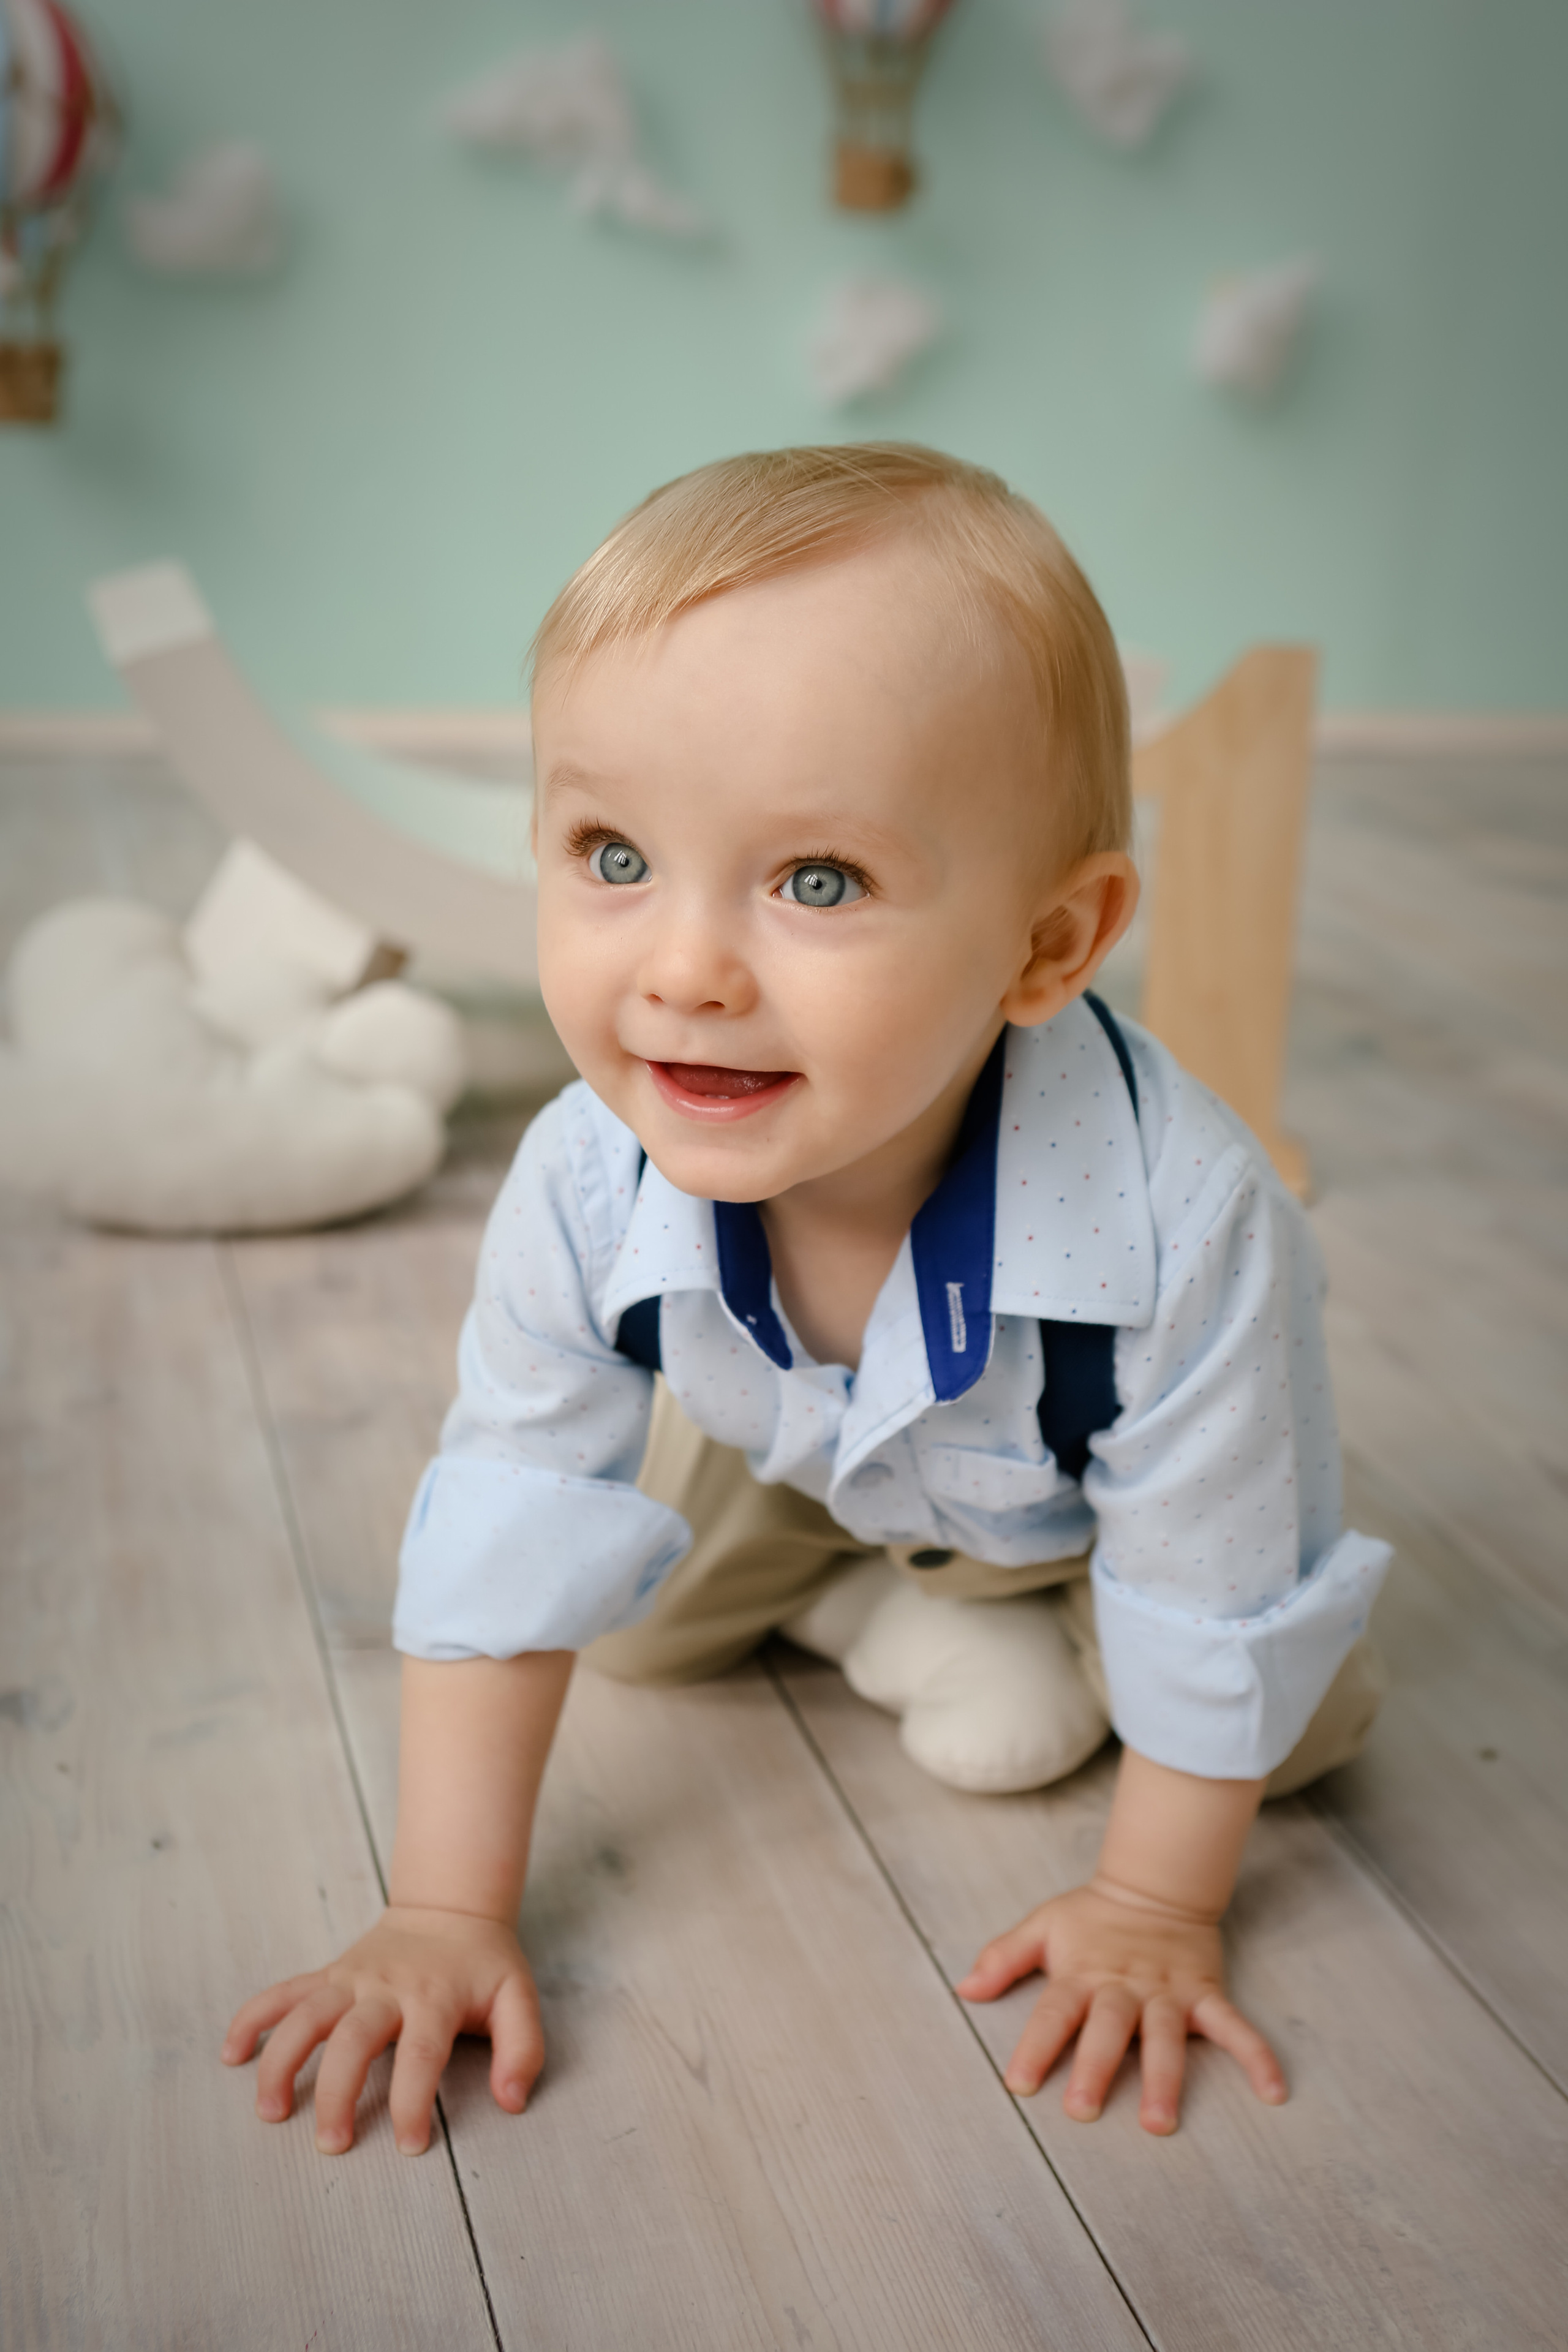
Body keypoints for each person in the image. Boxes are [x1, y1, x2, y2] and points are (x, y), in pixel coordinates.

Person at [224, 443, 1389, 2158]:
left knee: (1282, 1727)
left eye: (817, 882)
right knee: (625, 1615)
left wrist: (1155, 1902)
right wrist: (443, 1911)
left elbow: (1216, 1586)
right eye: (612, 854)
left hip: (1088, 1523)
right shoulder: (581, 1171)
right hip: (796, 1452)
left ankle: (996, 1617)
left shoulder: (1183, 1221)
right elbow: (514, 1507)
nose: (683, 969)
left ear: (1048, 950)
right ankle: (883, 1610)